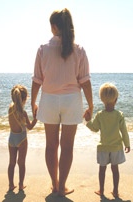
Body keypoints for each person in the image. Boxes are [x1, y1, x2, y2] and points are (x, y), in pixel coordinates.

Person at [31, 8, 93, 196]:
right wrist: (91, 105)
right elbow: (85, 81)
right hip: (71, 100)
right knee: (67, 147)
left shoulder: (43, 48)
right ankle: (61, 187)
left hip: (49, 99)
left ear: (54, 26)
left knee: (51, 145)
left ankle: (55, 183)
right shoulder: (79, 49)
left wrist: (32, 102)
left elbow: (36, 80)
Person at [86, 83, 130, 197]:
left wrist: (87, 121)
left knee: (102, 170)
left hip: (103, 147)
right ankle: (115, 191)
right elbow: (124, 132)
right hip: (116, 147)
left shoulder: (100, 115)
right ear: (116, 99)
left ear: (102, 100)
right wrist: (127, 144)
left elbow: (94, 128)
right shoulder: (119, 115)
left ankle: (101, 190)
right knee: (115, 170)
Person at [8, 85, 37, 191]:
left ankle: (11, 185)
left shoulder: (10, 109)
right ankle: (20, 185)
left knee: (11, 163)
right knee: (21, 163)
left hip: (11, 139)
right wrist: (35, 118)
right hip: (22, 140)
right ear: (25, 99)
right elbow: (30, 127)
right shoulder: (23, 114)